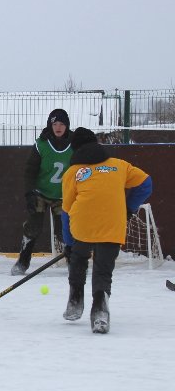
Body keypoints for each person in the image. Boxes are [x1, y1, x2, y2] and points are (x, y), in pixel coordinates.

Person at [61, 128, 152, 334]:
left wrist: (69, 243)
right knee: (103, 270)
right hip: (112, 225)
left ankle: (75, 299)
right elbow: (146, 184)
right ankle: (100, 311)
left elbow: (66, 211)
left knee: (78, 259)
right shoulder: (119, 166)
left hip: (82, 226)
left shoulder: (73, 172)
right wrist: (130, 207)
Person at [11, 108, 73, 275]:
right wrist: (29, 193)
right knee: (33, 227)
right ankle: (22, 262)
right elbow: (30, 171)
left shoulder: (75, 145)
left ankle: (74, 262)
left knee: (65, 230)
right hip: (41, 194)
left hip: (62, 196)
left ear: (67, 126)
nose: (58, 127)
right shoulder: (41, 145)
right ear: (50, 125)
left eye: (62, 124)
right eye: (55, 124)